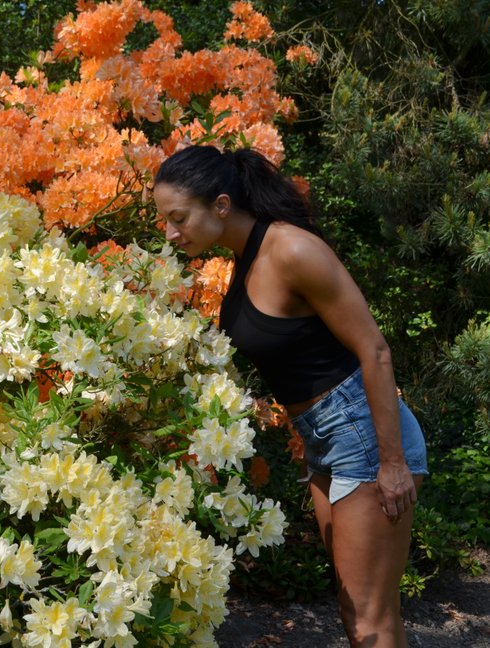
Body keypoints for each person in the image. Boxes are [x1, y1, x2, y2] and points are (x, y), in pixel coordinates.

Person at [153, 145, 428, 648]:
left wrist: (392, 463)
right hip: (325, 438)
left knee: (372, 620)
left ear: (219, 204)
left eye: (178, 218)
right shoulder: (247, 257)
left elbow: (375, 350)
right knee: (355, 610)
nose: (171, 233)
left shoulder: (290, 250)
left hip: (363, 433)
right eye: (165, 222)